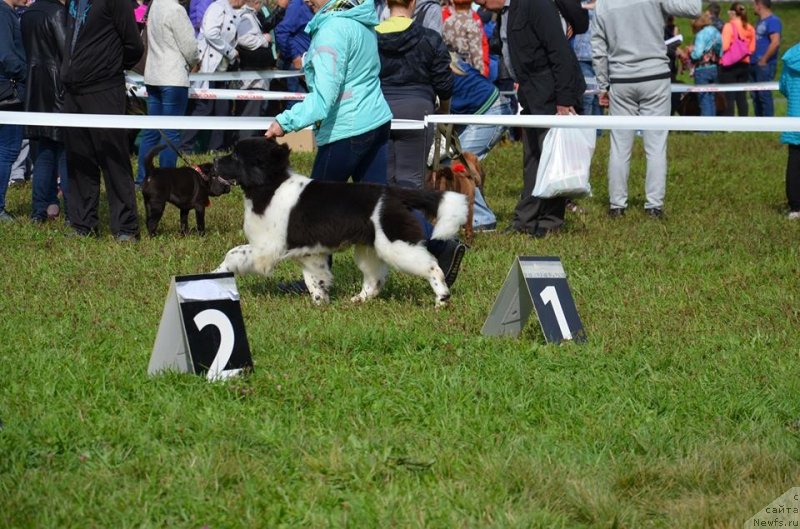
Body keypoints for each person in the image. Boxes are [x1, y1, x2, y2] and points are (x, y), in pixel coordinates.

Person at [266, 0, 466, 291]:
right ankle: (439, 247)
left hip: (345, 129)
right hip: (375, 121)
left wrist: (284, 122)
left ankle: (316, 282)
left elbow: (324, 97)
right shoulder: (361, 21)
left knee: (312, 208)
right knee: (382, 205)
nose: (306, 0)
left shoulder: (330, 32)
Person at [474, 0, 585, 238]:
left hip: (553, 92)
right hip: (533, 91)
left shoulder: (535, 5)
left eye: (482, 0)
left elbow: (560, 51)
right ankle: (532, 219)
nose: (480, 4)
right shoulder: (506, 12)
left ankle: (542, 221)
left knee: (550, 157)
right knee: (535, 155)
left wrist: (564, 100)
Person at [592, 0, 701, 220]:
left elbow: (598, 48)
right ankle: (654, 205)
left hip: (621, 78)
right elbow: (694, 9)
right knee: (656, 145)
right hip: (655, 76)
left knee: (619, 145)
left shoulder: (603, 3)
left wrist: (603, 85)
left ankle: (617, 205)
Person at [61, 0, 144, 239]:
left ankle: (126, 227)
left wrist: (109, 67)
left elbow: (133, 45)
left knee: (113, 158)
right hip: (73, 91)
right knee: (79, 158)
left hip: (104, 90)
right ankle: (82, 223)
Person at [376, 0, 451, 190]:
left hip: (379, 111)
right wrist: (444, 110)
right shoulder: (430, 38)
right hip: (417, 112)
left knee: (384, 183)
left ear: (387, 3)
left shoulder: (370, 36)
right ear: (413, 2)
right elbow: (444, 82)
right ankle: (413, 219)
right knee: (412, 182)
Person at [135, 0, 199, 187]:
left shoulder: (154, 6)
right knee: (171, 133)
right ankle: (165, 182)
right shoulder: (176, 9)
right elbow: (190, 47)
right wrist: (195, 60)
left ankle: (141, 179)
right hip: (172, 77)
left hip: (153, 75)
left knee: (152, 131)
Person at [21, 0, 70, 223]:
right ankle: (73, 212)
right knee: (66, 154)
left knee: (44, 152)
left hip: (35, 90)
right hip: (58, 92)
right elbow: (67, 54)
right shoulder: (59, 13)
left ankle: (40, 210)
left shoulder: (29, 13)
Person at [180, 0, 245, 154]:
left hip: (221, 68)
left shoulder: (232, 11)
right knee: (204, 108)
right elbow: (210, 33)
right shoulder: (217, 8)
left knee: (222, 109)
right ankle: (185, 147)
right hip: (208, 66)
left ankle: (216, 149)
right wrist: (231, 52)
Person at [0, 0, 26, 222]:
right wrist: (26, 74)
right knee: (6, 152)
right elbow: (6, 56)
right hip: (7, 95)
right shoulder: (3, 14)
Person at [718, 2, 755, 118]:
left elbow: (724, 46)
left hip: (729, 66)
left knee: (729, 95)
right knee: (741, 95)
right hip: (744, 65)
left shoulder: (729, 26)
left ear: (732, 12)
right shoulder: (750, 28)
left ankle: (729, 125)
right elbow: (752, 48)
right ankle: (744, 121)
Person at [274, 0, 312, 110]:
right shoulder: (297, 6)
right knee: (296, 105)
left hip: (310, 65)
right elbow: (281, 32)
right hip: (296, 66)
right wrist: (295, 57)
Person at [750, 0, 781, 117]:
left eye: (754, 4)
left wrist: (764, 59)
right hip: (753, 63)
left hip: (765, 64)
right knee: (755, 95)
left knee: (764, 94)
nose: (753, 7)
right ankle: (759, 121)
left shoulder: (773, 21)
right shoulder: (759, 22)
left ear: (759, 5)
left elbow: (775, 42)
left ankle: (768, 121)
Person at [779, 42, 800, 220]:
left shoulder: (791, 56)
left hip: (795, 115)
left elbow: (783, 86)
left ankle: (795, 207)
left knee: (794, 162)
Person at [442, 0, 489, 77]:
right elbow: (476, 55)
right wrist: (482, 74)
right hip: (469, 71)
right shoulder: (472, 23)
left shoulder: (447, 21)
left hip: (451, 69)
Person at [688, 13, 721, 117]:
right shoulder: (715, 31)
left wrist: (691, 52)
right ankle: (712, 126)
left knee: (703, 99)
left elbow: (697, 54)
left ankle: (705, 130)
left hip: (702, 70)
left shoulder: (700, 35)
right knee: (711, 98)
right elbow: (720, 48)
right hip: (714, 68)